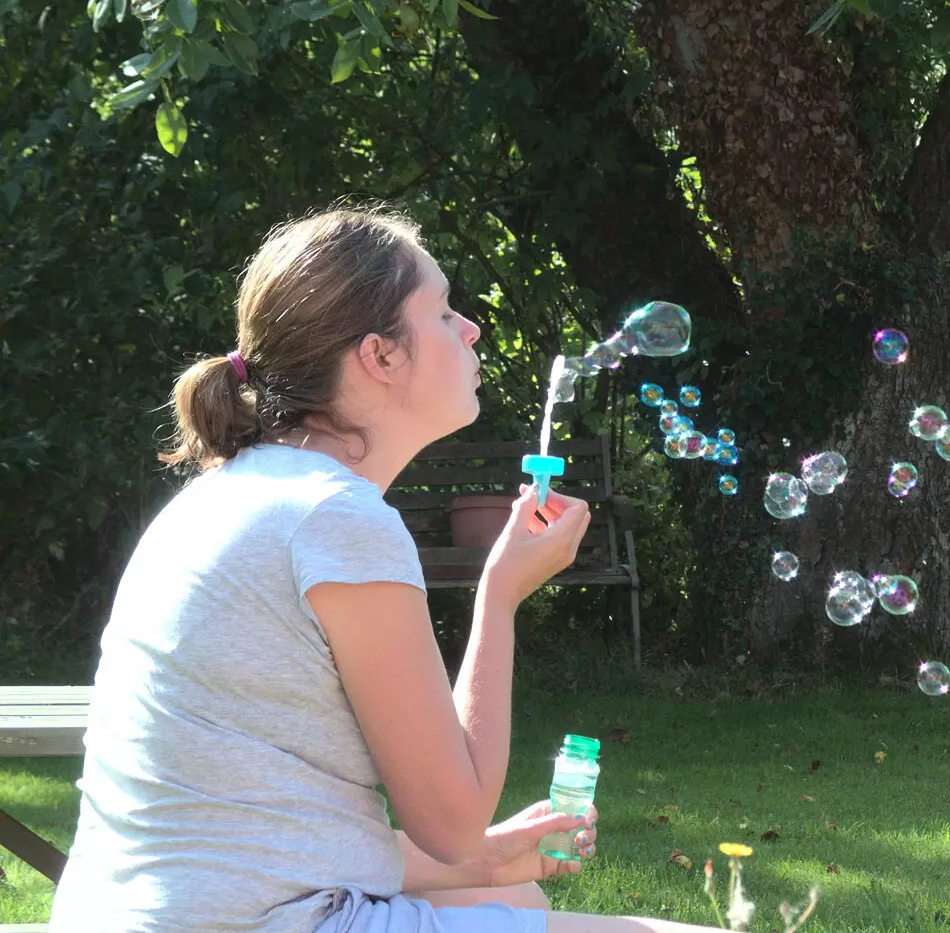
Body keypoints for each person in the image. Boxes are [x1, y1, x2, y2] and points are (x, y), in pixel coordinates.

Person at [49, 206, 721, 933]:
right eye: (442, 311)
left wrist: (489, 863)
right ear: (380, 356)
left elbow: (267, 824)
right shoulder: (337, 518)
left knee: (513, 897)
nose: (472, 329)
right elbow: (452, 824)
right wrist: (499, 598)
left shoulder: (227, 493)